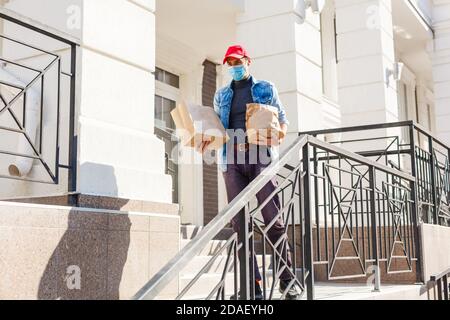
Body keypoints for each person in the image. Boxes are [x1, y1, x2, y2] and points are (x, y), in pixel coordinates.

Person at [197, 45, 301, 300]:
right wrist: (205, 139)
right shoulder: (221, 95)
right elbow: (218, 130)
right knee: (240, 225)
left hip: (261, 157)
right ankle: (252, 285)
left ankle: (287, 281)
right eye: (230, 63)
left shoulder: (265, 88)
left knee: (272, 219)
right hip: (232, 160)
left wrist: (280, 133)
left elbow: (283, 120)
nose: (234, 66)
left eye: (238, 61)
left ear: (247, 61)